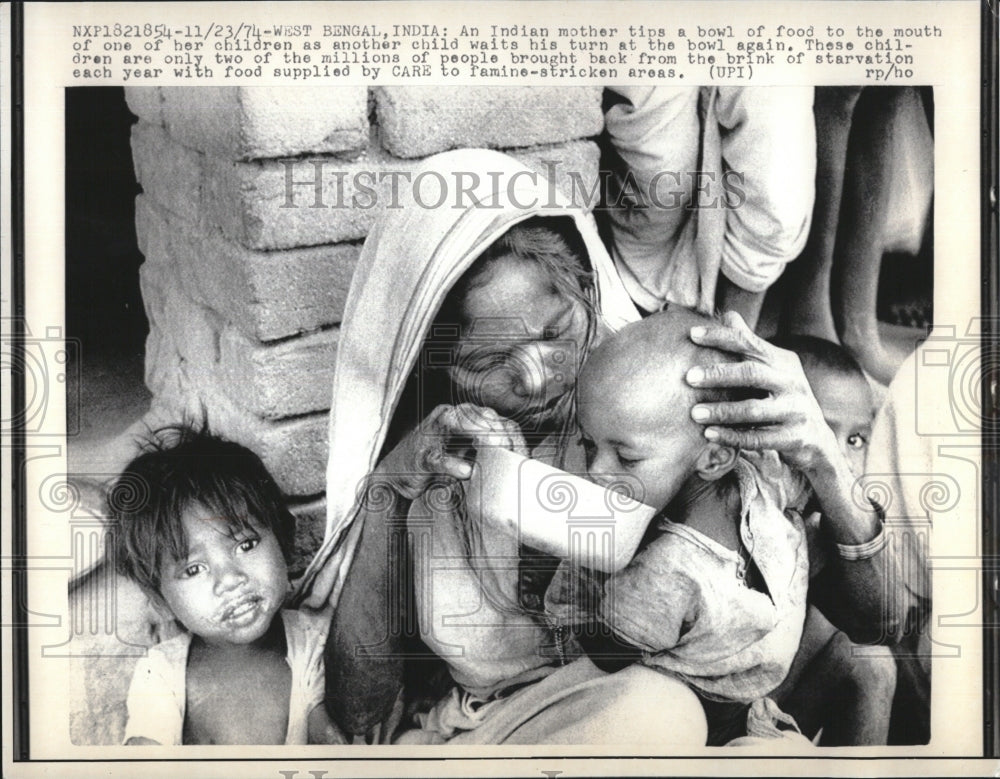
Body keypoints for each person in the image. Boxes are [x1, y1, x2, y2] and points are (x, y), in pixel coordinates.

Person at [296, 150, 912, 746]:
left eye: (557, 331)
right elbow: (360, 715)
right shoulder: (436, 462)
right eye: (488, 361)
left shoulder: (663, 402)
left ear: (587, 288)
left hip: (706, 721)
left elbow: (883, 623)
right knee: (660, 713)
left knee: (855, 670)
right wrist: (388, 494)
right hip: (530, 734)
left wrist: (824, 463)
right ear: (434, 369)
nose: (536, 377)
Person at [543, 309, 902, 746]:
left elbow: (886, 620)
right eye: (589, 446)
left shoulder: (762, 479)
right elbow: (605, 654)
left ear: (717, 457)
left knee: (871, 659)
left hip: (751, 700)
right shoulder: (662, 566)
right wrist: (590, 582)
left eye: (625, 457)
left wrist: (827, 461)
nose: (595, 472)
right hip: (688, 727)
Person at [108, 426, 343, 745]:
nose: (230, 579)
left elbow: (336, 745)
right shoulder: (161, 675)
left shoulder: (315, 642)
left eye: (245, 545)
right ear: (160, 600)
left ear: (285, 541)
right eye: (193, 569)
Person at [767, 335, 898, 745]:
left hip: (772, 709)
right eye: (820, 432)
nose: (836, 455)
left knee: (874, 662)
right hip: (712, 717)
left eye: (855, 440)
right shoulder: (738, 505)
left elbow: (884, 624)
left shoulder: (833, 521)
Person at [602, 87, 816, 326]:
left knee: (774, 168)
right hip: (647, 248)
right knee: (662, 172)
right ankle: (651, 302)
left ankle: (734, 331)